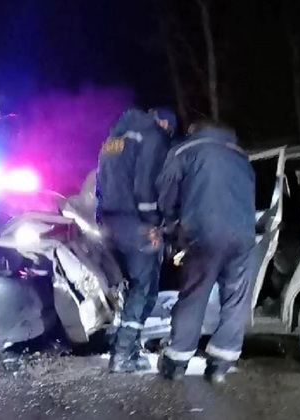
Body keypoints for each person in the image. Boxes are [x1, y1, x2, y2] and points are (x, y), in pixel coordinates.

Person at [156, 121, 256, 384]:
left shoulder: (184, 150)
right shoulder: (240, 155)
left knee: (194, 295)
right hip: (244, 234)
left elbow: (166, 193)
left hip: (204, 233)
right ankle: (221, 364)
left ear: (193, 130)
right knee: (236, 299)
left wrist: (171, 225)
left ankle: (177, 361)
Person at [96, 107, 177, 373]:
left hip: (110, 223)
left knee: (129, 288)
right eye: (169, 131)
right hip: (136, 225)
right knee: (145, 288)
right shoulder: (152, 136)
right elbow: (146, 185)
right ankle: (123, 355)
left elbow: (100, 181)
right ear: (163, 123)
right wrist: (152, 222)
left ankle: (125, 347)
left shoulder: (112, 139)